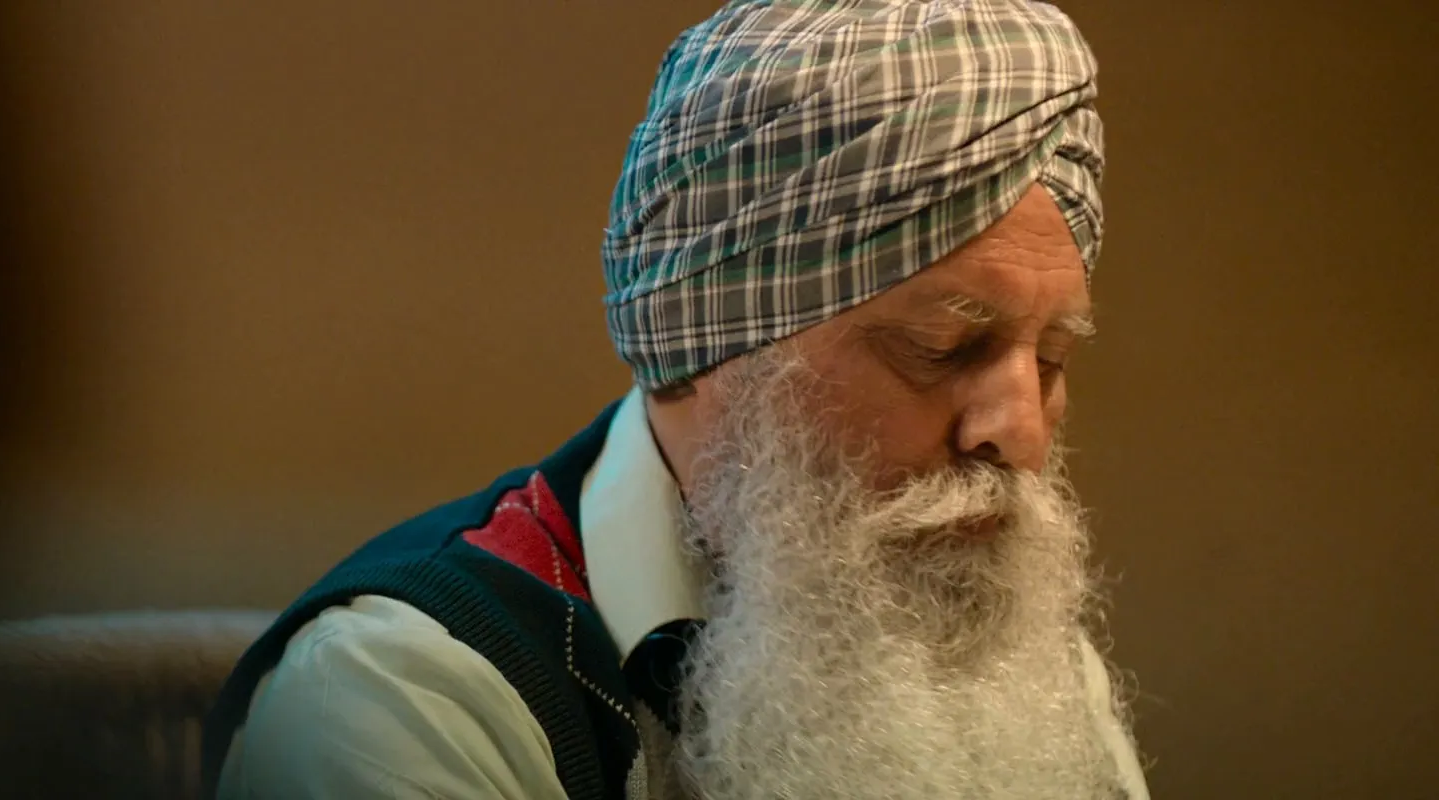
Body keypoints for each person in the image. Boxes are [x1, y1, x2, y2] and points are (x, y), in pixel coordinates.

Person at [203, 1, 1149, 797]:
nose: (1021, 433)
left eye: (1052, 358)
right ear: (707, 343)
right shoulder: (405, 695)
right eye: (939, 347)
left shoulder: (1016, 663)